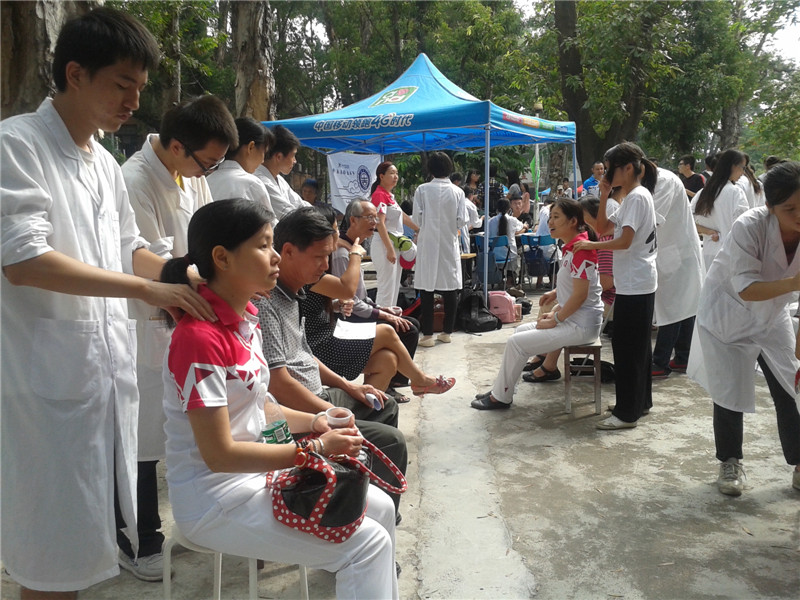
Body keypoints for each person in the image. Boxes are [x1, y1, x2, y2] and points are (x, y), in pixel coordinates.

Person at [0, 8, 215, 598]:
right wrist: (146, 289)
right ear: (75, 73)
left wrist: (183, 276)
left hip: (99, 382)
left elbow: (128, 249)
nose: (133, 101)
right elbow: (24, 260)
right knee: (50, 558)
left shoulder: (103, 164)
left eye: (139, 87)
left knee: (84, 550)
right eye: (123, 84)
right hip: (45, 391)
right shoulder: (17, 145)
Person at [160, 199, 398, 598]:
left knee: (382, 507)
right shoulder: (199, 340)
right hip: (215, 498)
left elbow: (261, 407)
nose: (275, 257)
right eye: (264, 245)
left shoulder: (245, 322)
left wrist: (317, 421)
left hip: (257, 476)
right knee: (366, 546)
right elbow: (219, 455)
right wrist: (315, 449)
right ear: (222, 258)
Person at [119, 94, 237, 581]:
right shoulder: (135, 180)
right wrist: (192, 276)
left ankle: (191, 521)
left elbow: (206, 238)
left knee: (187, 428)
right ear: (175, 146)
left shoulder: (192, 175)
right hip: (147, 323)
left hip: (190, 316)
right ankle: (139, 540)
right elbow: (142, 258)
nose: (208, 173)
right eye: (206, 162)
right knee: (143, 439)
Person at [254, 207, 432, 514]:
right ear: (289, 251)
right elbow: (278, 382)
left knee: (384, 403)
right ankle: (369, 513)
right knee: (392, 440)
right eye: (319, 257)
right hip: (299, 411)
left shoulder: (294, 293)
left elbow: (304, 354)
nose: (326, 266)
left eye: (328, 256)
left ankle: (366, 498)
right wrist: (328, 413)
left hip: (318, 390)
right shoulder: (265, 302)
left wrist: (350, 387)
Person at [687, 161, 800, 497]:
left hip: (773, 315)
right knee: (730, 391)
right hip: (728, 314)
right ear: (771, 206)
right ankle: (730, 461)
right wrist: (794, 282)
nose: (799, 215)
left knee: (791, 387)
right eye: (790, 208)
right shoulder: (750, 225)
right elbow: (747, 288)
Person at [472, 199, 603, 409]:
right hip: (573, 320)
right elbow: (576, 286)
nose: (550, 222)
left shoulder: (582, 250)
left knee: (516, 343)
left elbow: (581, 295)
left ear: (573, 221)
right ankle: (503, 388)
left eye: (556, 217)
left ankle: (501, 397)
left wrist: (556, 318)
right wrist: (555, 296)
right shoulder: (573, 247)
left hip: (581, 326)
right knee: (519, 332)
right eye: (550, 217)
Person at [304, 204, 447, 397]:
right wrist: (355, 254)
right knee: (392, 330)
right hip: (320, 344)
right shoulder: (320, 264)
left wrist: (338, 304)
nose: (375, 222)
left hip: (331, 331)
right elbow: (347, 290)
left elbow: (335, 299)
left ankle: (368, 409)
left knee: (388, 360)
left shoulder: (322, 263)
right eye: (369, 218)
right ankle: (419, 380)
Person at [573, 142, 659, 430]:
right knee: (637, 348)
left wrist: (591, 246)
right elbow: (603, 228)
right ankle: (639, 402)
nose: (606, 174)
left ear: (629, 168)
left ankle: (626, 413)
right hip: (635, 281)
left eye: (610, 169)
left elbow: (624, 242)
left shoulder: (637, 197)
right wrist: (605, 194)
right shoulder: (632, 197)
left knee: (628, 349)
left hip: (636, 282)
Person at [334, 199, 422, 401]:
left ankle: (394, 381)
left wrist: (383, 309)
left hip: (356, 309)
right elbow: (348, 300)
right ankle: (400, 382)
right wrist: (382, 314)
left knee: (409, 324)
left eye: (376, 217)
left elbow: (360, 296)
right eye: (370, 218)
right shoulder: (342, 254)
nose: (375, 222)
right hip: (347, 317)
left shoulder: (354, 247)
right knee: (406, 329)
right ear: (353, 220)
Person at [649, 167, 705, 379]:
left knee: (673, 307)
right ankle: (683, 357)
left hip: (678, 252)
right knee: (683, 305)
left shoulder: (664, 180)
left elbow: (650, 219)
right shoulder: (652, 181)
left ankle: (660, 361)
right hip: (671, 251)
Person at [412, 152, 468, 346]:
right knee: (450, 287)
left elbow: (417, 219)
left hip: (427, 242)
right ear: (449, 168)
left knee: (427, 287)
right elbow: (462, 220)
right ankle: (447, 332)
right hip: (448, 242)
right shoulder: (458, 192)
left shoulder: (422, 190)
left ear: (430, 169)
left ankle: (427, 334)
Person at [690, 149, 749, 273]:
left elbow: (689, 221)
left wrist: (708, 231)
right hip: (730, 256)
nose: (743, 173)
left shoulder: (703, 193)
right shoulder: (736, 193)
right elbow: (742, 227)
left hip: (707, 254)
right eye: (743, 168)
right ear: (733, 166)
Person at [206, 117, 275, 222]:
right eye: (264, 153)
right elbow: (269, 226)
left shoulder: (207, 181)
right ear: (251, 147)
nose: (262, 161)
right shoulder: (251, 184)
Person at [370, 161, 418, 308]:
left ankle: (391, 317)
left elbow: (402, 216)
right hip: (385, 244)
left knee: (394, 287)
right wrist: (390, 249)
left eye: (396, 173)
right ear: (381, 176)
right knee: (386, 287)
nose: (395, 176)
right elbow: (380, 223)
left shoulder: (389, 196)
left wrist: (419, 229)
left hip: (395, 243)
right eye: (391, 173)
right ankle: (381, 319)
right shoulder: (379, 195)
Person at [256, 124, 306, 220]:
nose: (295, 161)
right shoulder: (261, 182)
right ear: (279, 157)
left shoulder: (279, 180)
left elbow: (300, 204)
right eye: (293, 156)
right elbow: (289, 215)